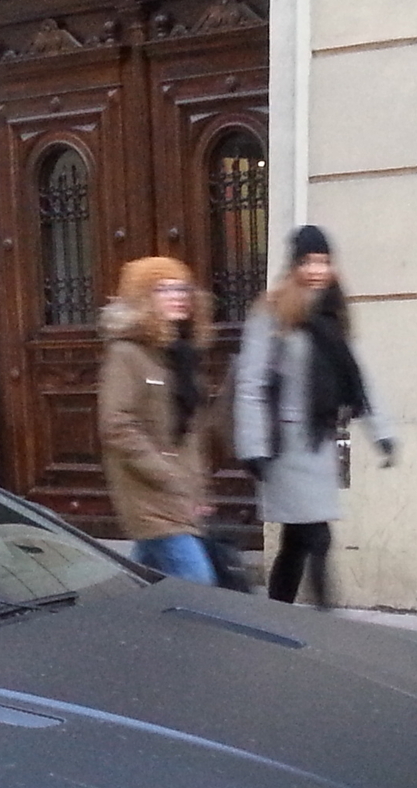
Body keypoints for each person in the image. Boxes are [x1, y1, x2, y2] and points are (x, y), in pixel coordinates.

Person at [234, 224, 394, 606]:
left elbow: (358, 377)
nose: (317, 270)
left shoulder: (333, 315)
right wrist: (252, 445)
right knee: (317, 538)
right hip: (284, 447)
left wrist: (382, 432)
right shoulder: (271, 313)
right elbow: (251, 382)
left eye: (323, 261)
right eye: (308, 261)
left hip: (319, 443)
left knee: (296, 542)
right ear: (294, 266)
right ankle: (325, 617)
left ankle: (277, 614)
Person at [96, 255, 218, 584]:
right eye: (163, 289)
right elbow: (117, 424)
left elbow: (189, 434)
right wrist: (166, 475)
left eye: (181, 287)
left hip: (176, 497)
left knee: (148, 580)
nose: (178, 295)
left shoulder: (180, 355)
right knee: (198, 583)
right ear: (143, 299)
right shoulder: (128, 354)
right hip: (147, 495)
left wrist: (196, 491)